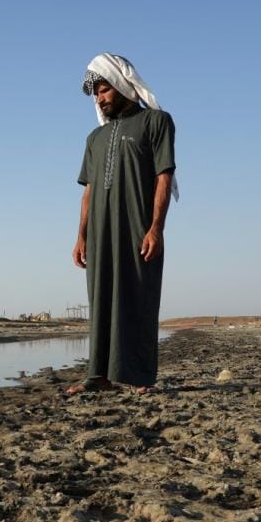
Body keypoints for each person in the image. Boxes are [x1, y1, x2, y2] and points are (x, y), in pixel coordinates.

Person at [69, 53, 176, 395]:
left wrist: (156, 228)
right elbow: (88, 192)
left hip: (137, 229)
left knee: (138, 297)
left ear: (121, 84)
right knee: (100, 300)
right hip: (100, 233)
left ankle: (139, 378)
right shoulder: (94, 139)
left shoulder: (156, 122)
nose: (99, 99)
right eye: (96, 94)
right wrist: (81, 236)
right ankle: (97, 376)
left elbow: (163, 177)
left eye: (103, 90)